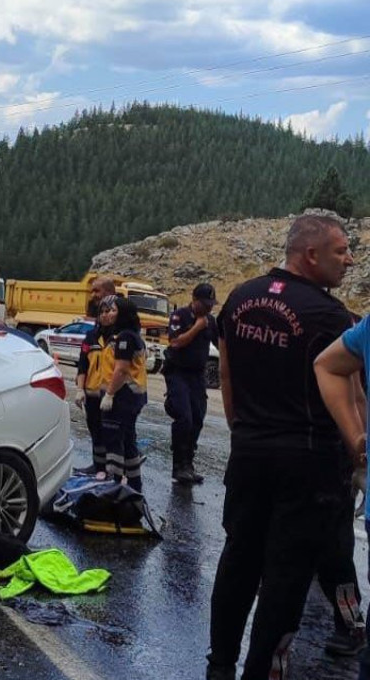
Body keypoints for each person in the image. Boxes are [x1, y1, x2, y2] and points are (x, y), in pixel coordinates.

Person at [206, 214, 356, 680]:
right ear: (310, 255)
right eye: (341, 251)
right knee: (285, 581)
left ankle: (219, 666)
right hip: (308, 463)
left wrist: (241, 429)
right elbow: (351, 396)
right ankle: (262, 672)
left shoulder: (239, 298)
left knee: (238, 562)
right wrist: (357, 453)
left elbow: (227, 373)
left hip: (250, 453)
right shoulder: (330, 316)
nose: (350, 260)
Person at [313, 316, 370, 662]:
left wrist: (359, 452)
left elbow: (357, 395)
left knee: (335, 556)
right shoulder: (335, 320)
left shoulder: (339, 323)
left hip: (329, 455)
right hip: (314, 455)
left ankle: (350, 624)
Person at [164, 283, 218, 485]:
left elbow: (222, 343)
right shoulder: (180, 316)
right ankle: (178, 466)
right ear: (194, 300)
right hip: (178, 372)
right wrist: (197, 327)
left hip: (197, 376)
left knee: (197, 418)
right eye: (205, 303)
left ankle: (188, 464)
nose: (209, 308)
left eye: (211, 304)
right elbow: (175, 342)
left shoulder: (211, 321)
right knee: (184, 417)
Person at [97, 296, 148, 491]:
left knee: (114, 438)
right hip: (132, 398)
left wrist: (109, 394)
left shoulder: (125, 337)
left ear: (123, 314)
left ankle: (114, 483)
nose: (110, 314)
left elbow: (121, 370)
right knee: (128, 441)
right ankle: (134, 484)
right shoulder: (129, 335)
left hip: (123, 397)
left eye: (114, 310)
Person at [76, 292, 118, 472]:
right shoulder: (91, 337)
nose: (105, 315)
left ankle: (115, 470)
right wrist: (80, 390)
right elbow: (83, 365)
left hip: (112, 395)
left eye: (110, 311)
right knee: (95, 432)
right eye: (102, 311)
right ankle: (98, 467)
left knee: (113, 434)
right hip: (92, 394)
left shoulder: (121, 337)